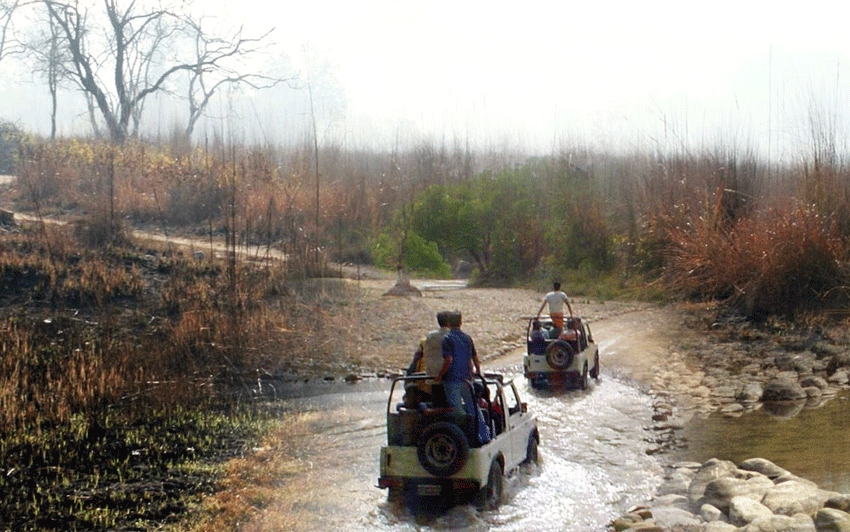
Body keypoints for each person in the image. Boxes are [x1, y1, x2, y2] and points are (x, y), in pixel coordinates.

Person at [435, 311, 481, 419]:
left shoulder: (447, 339)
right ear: (461, 323)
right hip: (467, 378)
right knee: (472, 407)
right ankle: (481, 432)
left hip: (452, 379)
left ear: (449, 323)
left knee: (457, 409)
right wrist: (478, 373)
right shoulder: (467, 338)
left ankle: (465, 428)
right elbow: (475, 358)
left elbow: (448, 360)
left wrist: (440, 375)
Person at [403, 311, 451, 406]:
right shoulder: (455, 338)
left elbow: (415, 361)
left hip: (427, 384)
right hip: (449, 384)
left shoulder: (427, 339)